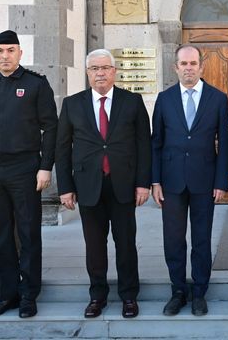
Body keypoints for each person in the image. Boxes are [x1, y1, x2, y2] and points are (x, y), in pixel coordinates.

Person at [0, 30, 58, 319]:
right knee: (1, 234)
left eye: (10, 50)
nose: (5, 56)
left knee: (29, 232)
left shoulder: (35, 85)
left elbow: (51, 128)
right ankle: (7, 295)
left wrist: (46, 166)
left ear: (20, 53)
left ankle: (29, 295)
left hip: (25, 169)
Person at [55, 49, 152, 319]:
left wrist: (143, 183)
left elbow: (145, 145)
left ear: (114, 71)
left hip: (123, 184)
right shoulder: (72, 104)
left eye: (105, 68)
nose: (100, 73)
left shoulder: (132, 101)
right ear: (87, 73)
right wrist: (65, 187)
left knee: (126, 244)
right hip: (88, 186)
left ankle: (129, 296)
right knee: (94, 246)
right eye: (94, 68)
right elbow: (61, 150)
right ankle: (97, 296)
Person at [151, 45, 228, 316]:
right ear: (175, 67)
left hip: (204, 182)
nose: (188, 68)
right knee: (173, 240)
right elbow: (156, 143)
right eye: (183, 63)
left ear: (201, 66)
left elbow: (225, 145)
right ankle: (177, 292)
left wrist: (221, 182)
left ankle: (199, 292)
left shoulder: (218, 99)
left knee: (201, 240)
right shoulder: (164, 99)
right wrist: (155, 181)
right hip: (171, 182)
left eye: (193, 63)